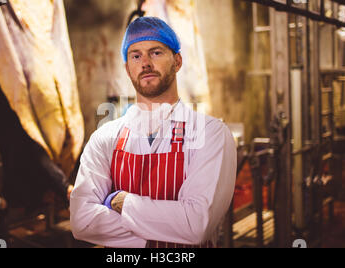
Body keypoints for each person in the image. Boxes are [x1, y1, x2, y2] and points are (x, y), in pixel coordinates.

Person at [70, 17, 237, 248]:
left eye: (156, 52)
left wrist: (121, 201)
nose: (145, 63)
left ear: (177, 62)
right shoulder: (104, 138)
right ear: (128, 69)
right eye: (136, 55)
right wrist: (167, 228)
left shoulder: (211, 133)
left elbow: (196, 225)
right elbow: (82, 222)